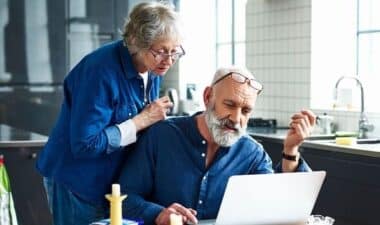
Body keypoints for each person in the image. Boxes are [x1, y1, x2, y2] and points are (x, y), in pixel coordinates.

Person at [35, 2, 185, 225]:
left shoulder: (153, 67)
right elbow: (86, 144)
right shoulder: (100, 72)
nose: (169, 60)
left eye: (175, 51)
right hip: (78, 182)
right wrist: (141, 120)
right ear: (138, 44)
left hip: (112, 183)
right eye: (161, 52)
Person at [118, 66, 316, 225]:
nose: (236, 119)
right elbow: (123, 198)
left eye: (246, 110)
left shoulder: (252, 153)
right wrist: (159, 214)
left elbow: (278, 207)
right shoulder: (162, 136)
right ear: (207, 97)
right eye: (229, 105)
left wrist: (290, 150)